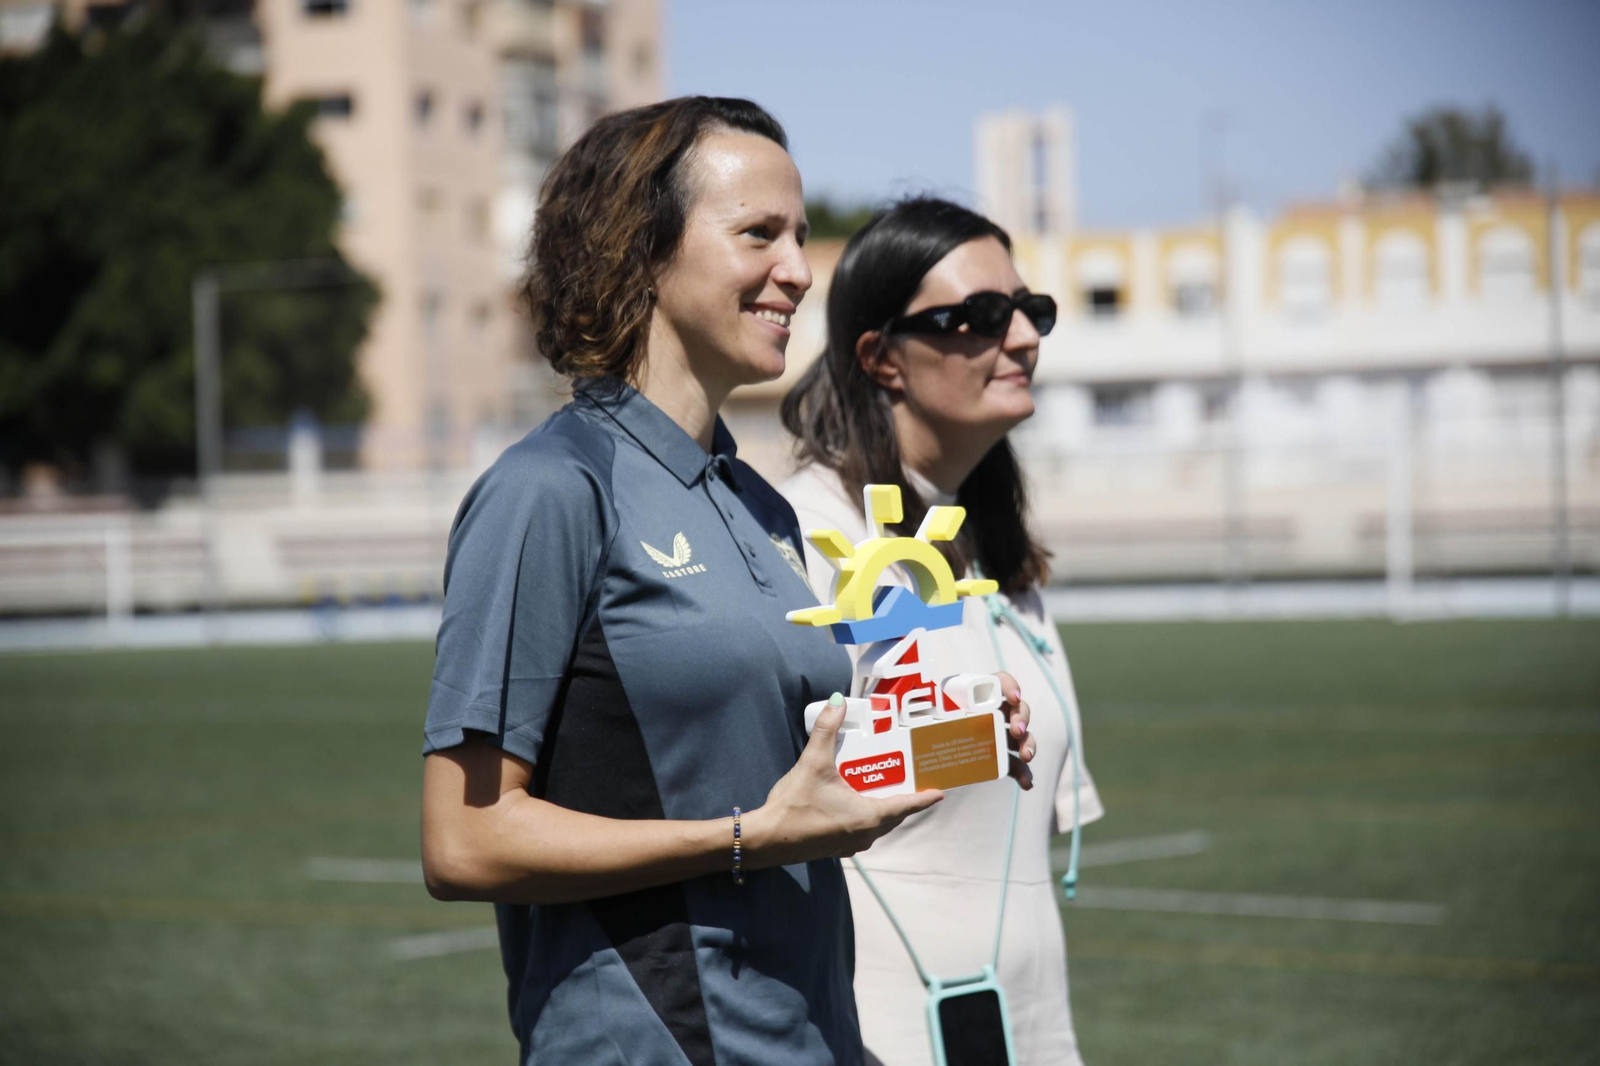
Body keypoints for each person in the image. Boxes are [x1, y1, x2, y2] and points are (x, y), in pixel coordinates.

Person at [418, 99, 965, 1065]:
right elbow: (465, 841)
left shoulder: (760, 505)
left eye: (799, 235)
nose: (799, 269)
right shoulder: (551, 488)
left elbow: (780, 780)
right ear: (641, 251)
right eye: (759, 234)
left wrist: (947, 739)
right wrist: (746, 838)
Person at [779, 197, 1106, 1066]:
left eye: (1031, 310)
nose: (1023, 338)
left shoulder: (996, 555)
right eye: (982, 316)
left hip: (1036, 1036)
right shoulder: (803, 541)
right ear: (881, 357)